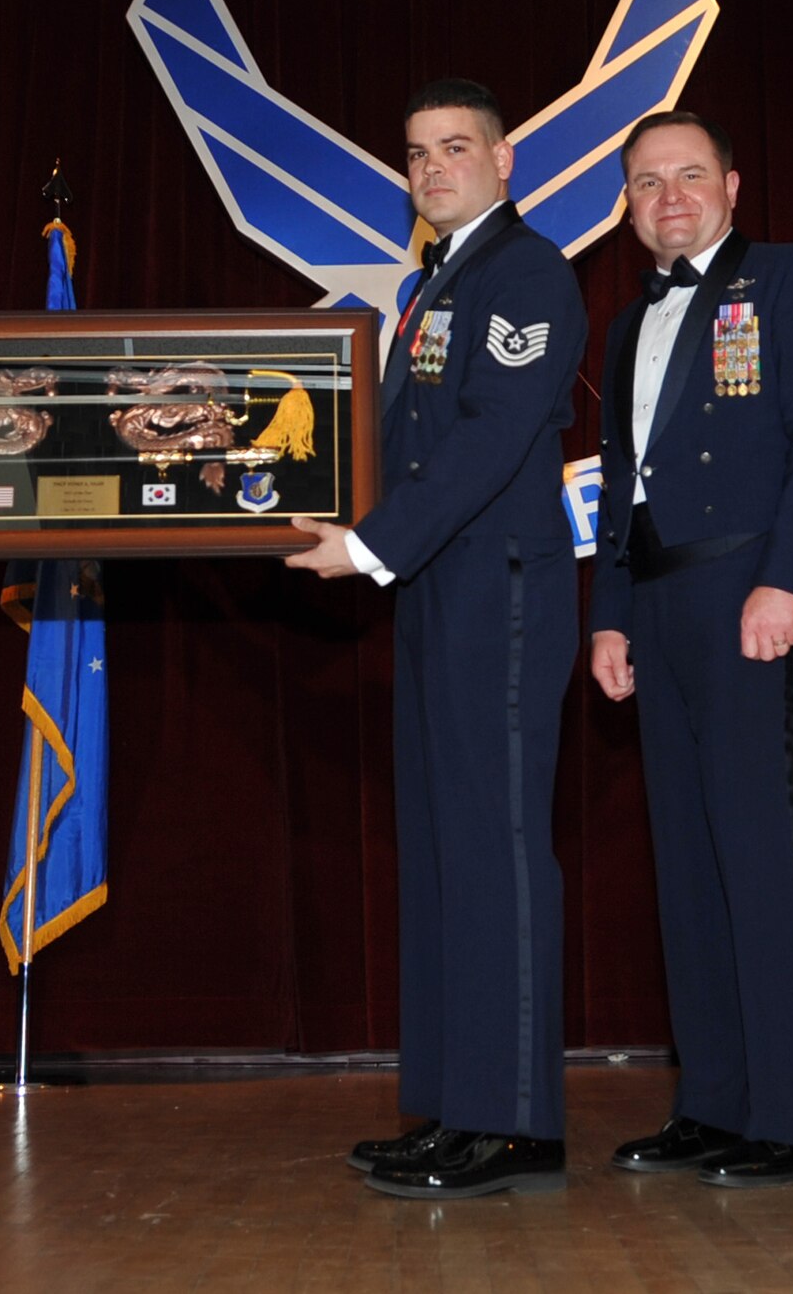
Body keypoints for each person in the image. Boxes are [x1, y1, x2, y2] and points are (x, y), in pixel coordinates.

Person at [287, 78, 586, 1198]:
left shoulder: (527, 273)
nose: (432, 169)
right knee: (444, 850)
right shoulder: (431, 285)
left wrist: (370, 544)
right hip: (434, 587)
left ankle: (513, 1122)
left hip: (497, 592)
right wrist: (301, 506)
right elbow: (388, 435)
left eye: (455, 148)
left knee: (496, 851)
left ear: (504, 160)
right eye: (416, 154)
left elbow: (490, 436)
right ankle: (456, 1105)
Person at [588, 110, 793, 1188]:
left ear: (732, 186)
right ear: (626, 204)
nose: (670, 197)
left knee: (758, 850)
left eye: (689, 175)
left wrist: (788, 580)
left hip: (749, 589)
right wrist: (609, 614)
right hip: (659, 603)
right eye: (647, 182)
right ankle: (712, 1101)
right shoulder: (626, 323)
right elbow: (621, 484)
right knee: (687, 859)